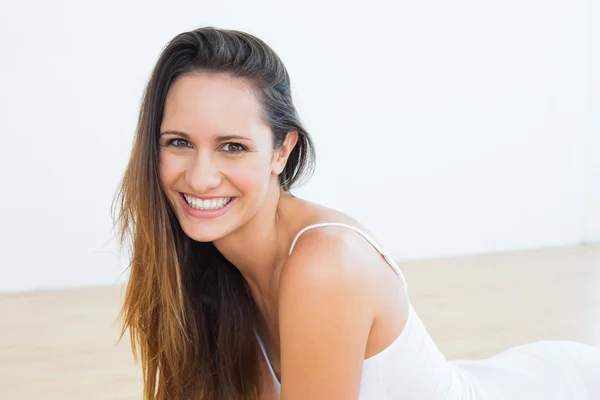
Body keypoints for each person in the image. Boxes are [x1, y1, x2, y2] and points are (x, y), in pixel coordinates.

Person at [112, 26, 600, 400]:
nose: (199, 178)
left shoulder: (326, 263)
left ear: (282, 151)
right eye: (178, 143)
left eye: (232, 147)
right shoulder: (202, 268)